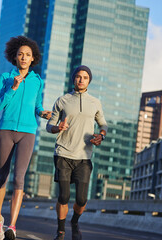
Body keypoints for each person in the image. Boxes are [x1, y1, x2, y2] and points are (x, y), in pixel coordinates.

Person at [0, 36, 52, 240]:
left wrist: (44, 113)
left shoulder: (37, 81)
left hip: (28, 132)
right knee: (3, 176)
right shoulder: (6, 77)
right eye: (20, 54)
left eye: (28, 55)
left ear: (33, 58)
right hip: (6, 130)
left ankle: (12, 226)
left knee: (19, 178)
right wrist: (13, 88)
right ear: (15, 57)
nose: (24, 57)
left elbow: (37, 106)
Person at [46, 65, 108, 240]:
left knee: (81, 200)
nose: (81, 80)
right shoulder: (62, 100)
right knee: (64, 196)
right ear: (74, 79)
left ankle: (74, 222)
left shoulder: (95, 102)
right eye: (78, 76)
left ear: (89, 81)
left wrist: (101, 136)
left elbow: (103, 124)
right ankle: (60, 231)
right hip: (63, 154)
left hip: (84, 157)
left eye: (85, 77)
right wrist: (57, 128)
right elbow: (49, 125)